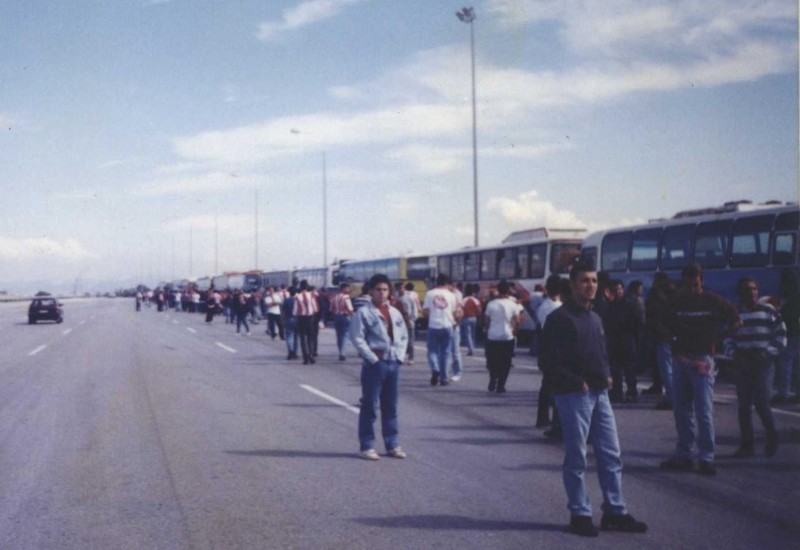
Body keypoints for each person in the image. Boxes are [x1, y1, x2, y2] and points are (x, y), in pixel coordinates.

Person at [539, 261, 647, 538]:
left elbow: (601, 352)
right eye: (585, 280)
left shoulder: (595, 317)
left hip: (600, 395)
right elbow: (548, 362)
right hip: (575, 395)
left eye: (594, 281)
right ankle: (580, 513)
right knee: (577, 456)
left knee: (611, 454)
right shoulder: (559, 319)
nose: (591, 285)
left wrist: (607, 375)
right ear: (573, 284)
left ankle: (615, 511)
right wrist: (577, 382)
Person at [660, 263, 739, 476]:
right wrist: (672, 341)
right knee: (681, 411)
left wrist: (717, 340)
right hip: (680, 361)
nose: (692, 289)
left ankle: (706, 457)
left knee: (703, 411)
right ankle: (684, 454)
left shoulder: (712, 301)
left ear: (701, 282)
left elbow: (735, 319)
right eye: (688, 286)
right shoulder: (675, 302)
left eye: (695, 285)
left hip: (702, 362)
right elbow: (660, 323)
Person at [349, 274, 409, 461]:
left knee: (390, 406)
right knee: (370, 406)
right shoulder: (364, 313)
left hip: (393, 363)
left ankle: (392, 444)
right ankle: (367, 446)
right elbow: (357, 338)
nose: (382, 293)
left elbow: (403, 336)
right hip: (375, 364)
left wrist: (399, 357)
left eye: (385, 289)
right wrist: (372, 358)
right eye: (378, 289)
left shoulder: (395, 312)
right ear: (371, 291)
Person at [724, 277, 786, 458]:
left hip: (763, 363)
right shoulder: (735, 314)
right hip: (743, 363)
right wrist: (734, 355)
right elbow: (728, 338)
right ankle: (747, 446)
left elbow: (780, 335)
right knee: (744, 406)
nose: (751, 293)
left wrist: (768, 353)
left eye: (754, 289)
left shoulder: (769, 311)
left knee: (762, 403)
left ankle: (772, 438)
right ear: (740, 293)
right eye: (747, 290)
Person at [483, 280, 524, 393]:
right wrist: (514, 331)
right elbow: (517, 321)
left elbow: (486, 321)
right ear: (508, 291)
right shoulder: (513, 304)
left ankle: (492, 378)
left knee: (492, 360)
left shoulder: (491, 304)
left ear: (498, 290)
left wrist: (487, 331)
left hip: (493, 336)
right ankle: (501, 385)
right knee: (505, 362)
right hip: (507, 336)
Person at [536, 274, 563, 428]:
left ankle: (542, 417)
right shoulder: (558, 307)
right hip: (557, 350)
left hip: (546, 349)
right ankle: (556, 422)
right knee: (557, 387)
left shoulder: (543, 306)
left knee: (547, 386)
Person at [646, 272, 675, 410]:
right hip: (673, 337)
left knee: (666, 370)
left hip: (663, 337)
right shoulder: (675, 296)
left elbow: (653, 315)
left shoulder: (658, 299)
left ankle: (672, 398)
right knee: (672, 369)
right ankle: (675, 396)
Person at [423, 273, 457, 387]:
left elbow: (425, 310)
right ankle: (444, 378)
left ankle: (435, 368)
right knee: (445, 353)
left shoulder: (430, 293)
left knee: (432, 351)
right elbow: (454, 311)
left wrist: (432, 316)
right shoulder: (452, 295)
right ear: (447, 283)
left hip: (433, 326)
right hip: (447, 325)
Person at [775, 269, 800, 404]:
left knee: (786, 361)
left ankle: (783, 393)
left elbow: (787, 317)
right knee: (796, 363)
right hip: (796, 332)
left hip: (792, 334)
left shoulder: (790, 299)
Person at [294, 280, 318, 364]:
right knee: (310, 337)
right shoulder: (311, 295)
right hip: (310, 318)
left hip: (301, 318)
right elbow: (315, 308)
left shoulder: (297, 296)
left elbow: (295, 310)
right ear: (307, 287)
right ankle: (311, 355)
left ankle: (305, 357)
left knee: (302, 337)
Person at [398, 282, 421, 364]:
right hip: (399, 323)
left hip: (409, 321)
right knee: (400, 340)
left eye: (402, 288)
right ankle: (402, 355)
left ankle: (411, 357)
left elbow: (414, 308)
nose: (401, 290)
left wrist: (413, 319)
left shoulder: (409, 297)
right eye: (399, 288)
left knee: (410, 341)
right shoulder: (396, 298)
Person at [331, 283, 355, 361]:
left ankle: (340, 351)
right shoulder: (346, 297)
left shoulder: (334, 297)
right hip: (345, 316)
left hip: (336, 316)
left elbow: (331, 308)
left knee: (339, 336)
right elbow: (350, 309)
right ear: (343, 289)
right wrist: (353, 316)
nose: (349, 290)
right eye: (347, 288)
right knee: (345, 335)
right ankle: (342, 353)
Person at [461, 284, 481, 356]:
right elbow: (479, 310)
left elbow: (461, 309)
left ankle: (470, 349)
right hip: (474, 318)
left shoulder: (464, 300)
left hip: (466, 318)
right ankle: (473, 347)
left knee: (468, 334)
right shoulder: (476, 300)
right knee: (473, 334)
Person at [281, 287, 299, 360]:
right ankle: (295, 352)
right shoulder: (298, 300)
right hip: (297, 319)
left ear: (289, 292)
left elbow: (283, 311)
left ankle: (290, 351)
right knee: (296, 337)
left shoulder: (286, 300)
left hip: (288, 318)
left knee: (288, 336)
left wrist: (282, 320)